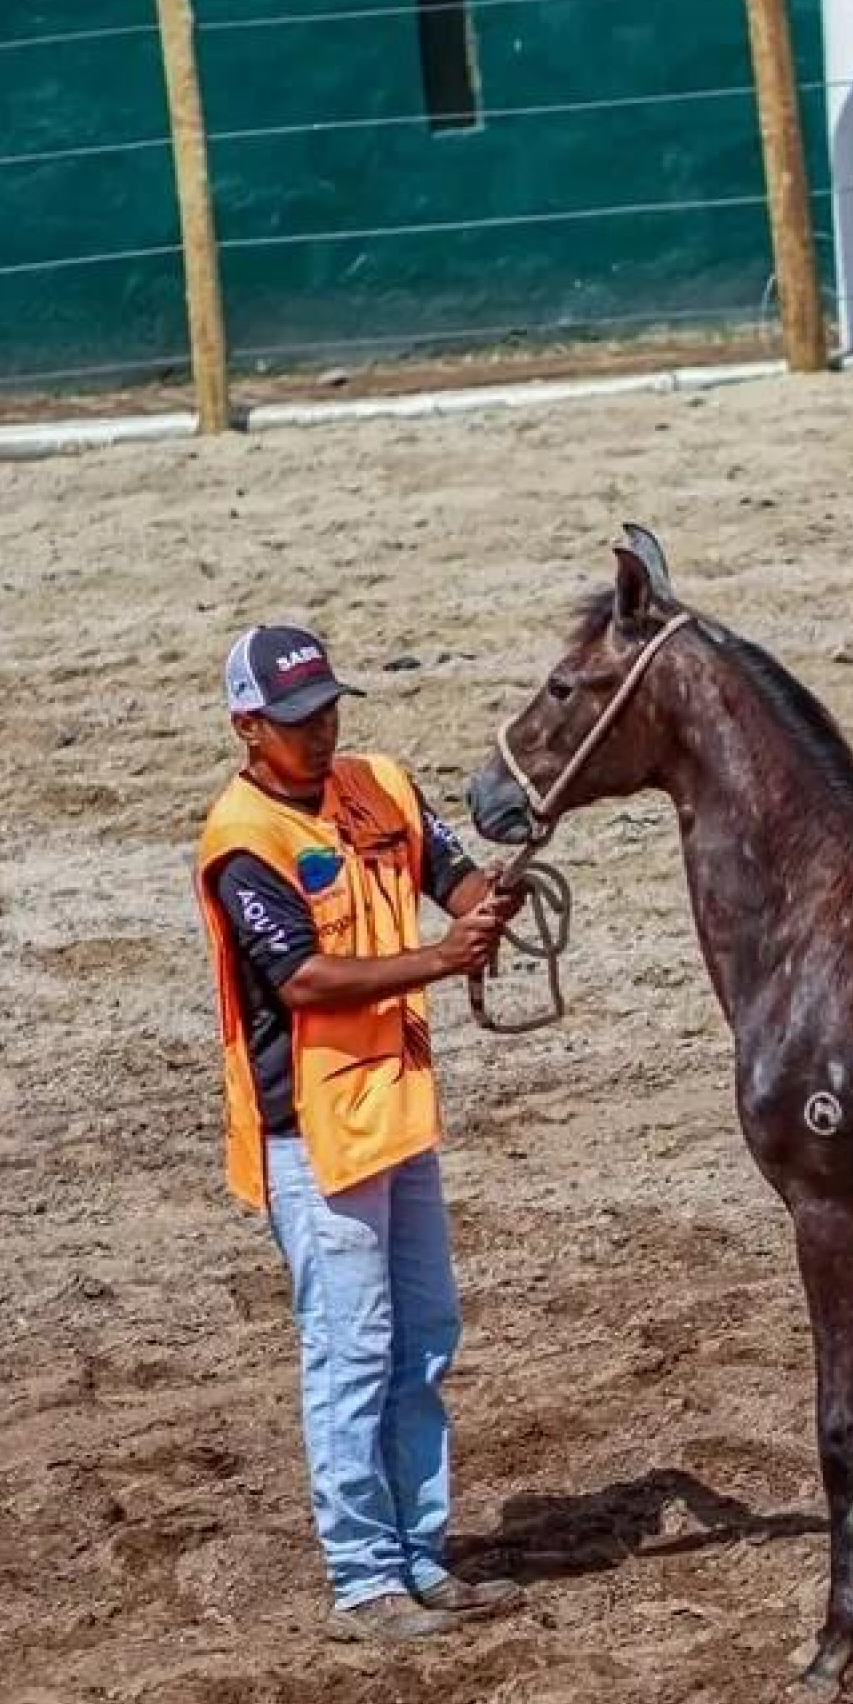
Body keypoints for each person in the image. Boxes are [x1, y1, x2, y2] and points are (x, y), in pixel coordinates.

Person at [194, 622, 526, 1644]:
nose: (322, 730)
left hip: (396, 1110)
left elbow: (453, 876)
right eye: (298, 720)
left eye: (329, 708)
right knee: (351, 1350)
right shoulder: (241, 841)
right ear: (249, 727)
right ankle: (362, 1574)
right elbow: (301, 978)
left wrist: (492, 903)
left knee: (422, 1338)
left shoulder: (378, 784)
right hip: (311, 1134)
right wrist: (440, 961)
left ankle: (420, 1552)